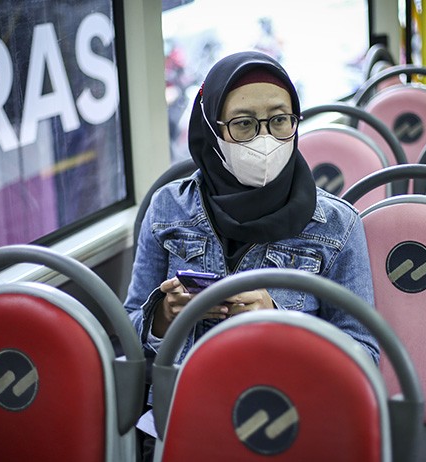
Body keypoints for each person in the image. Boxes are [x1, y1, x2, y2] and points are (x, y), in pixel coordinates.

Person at [124, 50, 380, 366]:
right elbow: (129, 330)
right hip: (179, 399)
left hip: (288, 406)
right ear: (212, 129)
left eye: (280, 120)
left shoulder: (337, 225)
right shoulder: (167, 208)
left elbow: (364, 355)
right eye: (244, 124)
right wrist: (164, 316)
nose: (265, 139)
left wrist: (281, 323)